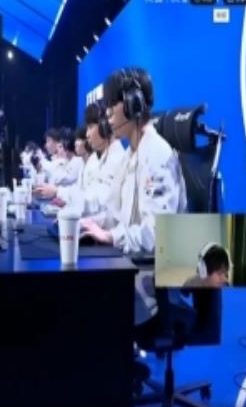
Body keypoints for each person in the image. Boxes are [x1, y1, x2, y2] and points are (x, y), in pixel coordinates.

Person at [80, 68, 187, 326]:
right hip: (131, 267)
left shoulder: (156, 154)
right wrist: (90, 224)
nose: (107, 114)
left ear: (133, 104)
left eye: (112, 104)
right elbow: (114, 212)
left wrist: (111, 236)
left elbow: (158, 235)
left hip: (150, 281)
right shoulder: (131, 155)